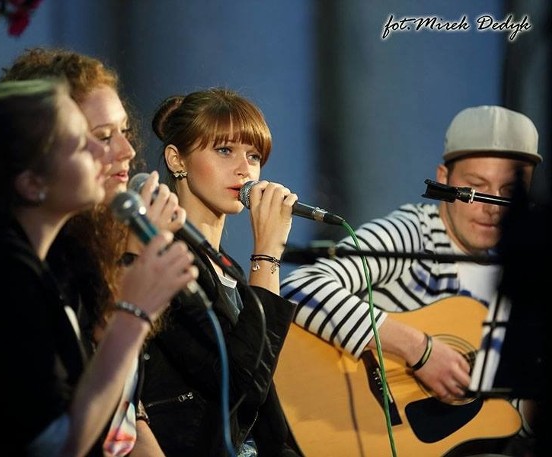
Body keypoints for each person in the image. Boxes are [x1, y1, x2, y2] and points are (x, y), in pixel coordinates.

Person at [0, 78, 197, 456]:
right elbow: (59, 444)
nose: (106, 153)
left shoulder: (34, 265)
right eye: (82, 143)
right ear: (32, 183)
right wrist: (133, 314)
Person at [280, 105, 541, 455]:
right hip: (354, 432)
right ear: (444, 179)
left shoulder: (527, 270)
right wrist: (419, 350)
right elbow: (298, 287)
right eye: (475, 187)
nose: (492, 207)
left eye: (508, 191)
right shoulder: (412, 235)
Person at [0, 47, 183, 456]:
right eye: (99, 138)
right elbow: (64, 438)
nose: (125, 152)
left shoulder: (83, 244)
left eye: (122, 132)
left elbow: (125, 415)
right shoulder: (3, 273)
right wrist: (134, 305)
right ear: (31, 173)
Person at [138, 87, 302, 457]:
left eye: (254, 156)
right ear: (176, 160)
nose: (245, 170)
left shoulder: (227, 267)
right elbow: (239, 384)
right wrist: (267, 255)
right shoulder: (165, 255)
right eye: (224, 150)